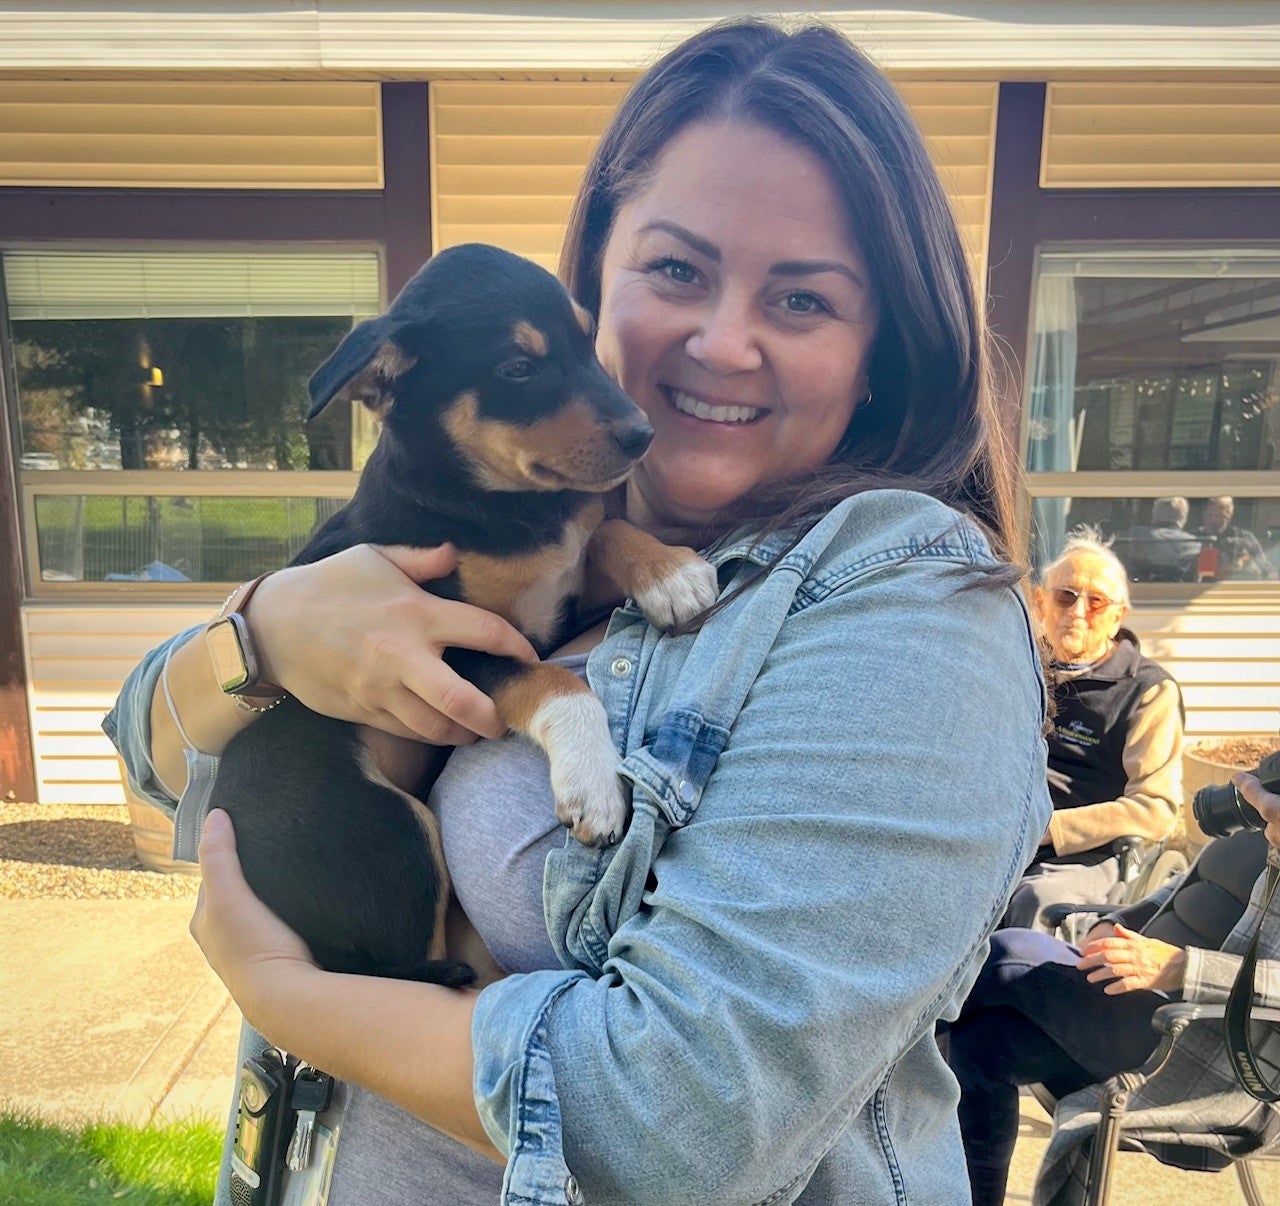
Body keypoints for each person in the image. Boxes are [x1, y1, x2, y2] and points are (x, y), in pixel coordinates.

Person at [104, 19, 1051, 1204]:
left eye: (801, 299)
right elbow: (156, 777)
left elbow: (678, 1126)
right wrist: (260, 639)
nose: (722, 341)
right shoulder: (526, 511)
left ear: (884, 350)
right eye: (676, 270)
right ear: (592, 278)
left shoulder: (910, 607)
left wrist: (287, 997)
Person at [946, 773, 1280, 1206]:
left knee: (1007, 956)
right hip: (1129, 1003)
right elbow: (1186, 890)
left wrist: (1182, 967)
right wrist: (1121, 921)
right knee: (982, 1043)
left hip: (1202, 1042)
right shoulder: (1264, 810)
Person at [1007, 529, 1183, 931]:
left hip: (1086, 852)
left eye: (1097, 602)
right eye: (1065, 596)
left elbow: (1155, 809)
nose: (1078, 611)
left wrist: (1050, 829)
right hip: (1002, 830)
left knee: (1033, 902)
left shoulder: (1147, 691)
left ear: (1117, 617)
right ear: (1039, 602)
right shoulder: (1015, 666)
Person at [1195, 495, 1278, 581]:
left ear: (1229, 516)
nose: (1214, 520)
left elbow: (1267, 570)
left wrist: (1245, 563)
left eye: (1219, 516)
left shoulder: (1245, 539)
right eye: (1210, 515)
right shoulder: (1193, 539)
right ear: (1203, 515)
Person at [1119, 496, 1200, 582]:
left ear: (1155, 513)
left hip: (1139, 586)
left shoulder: (1136, 534)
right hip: (1179, 589)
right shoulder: (1193, 543)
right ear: (1183, 517)